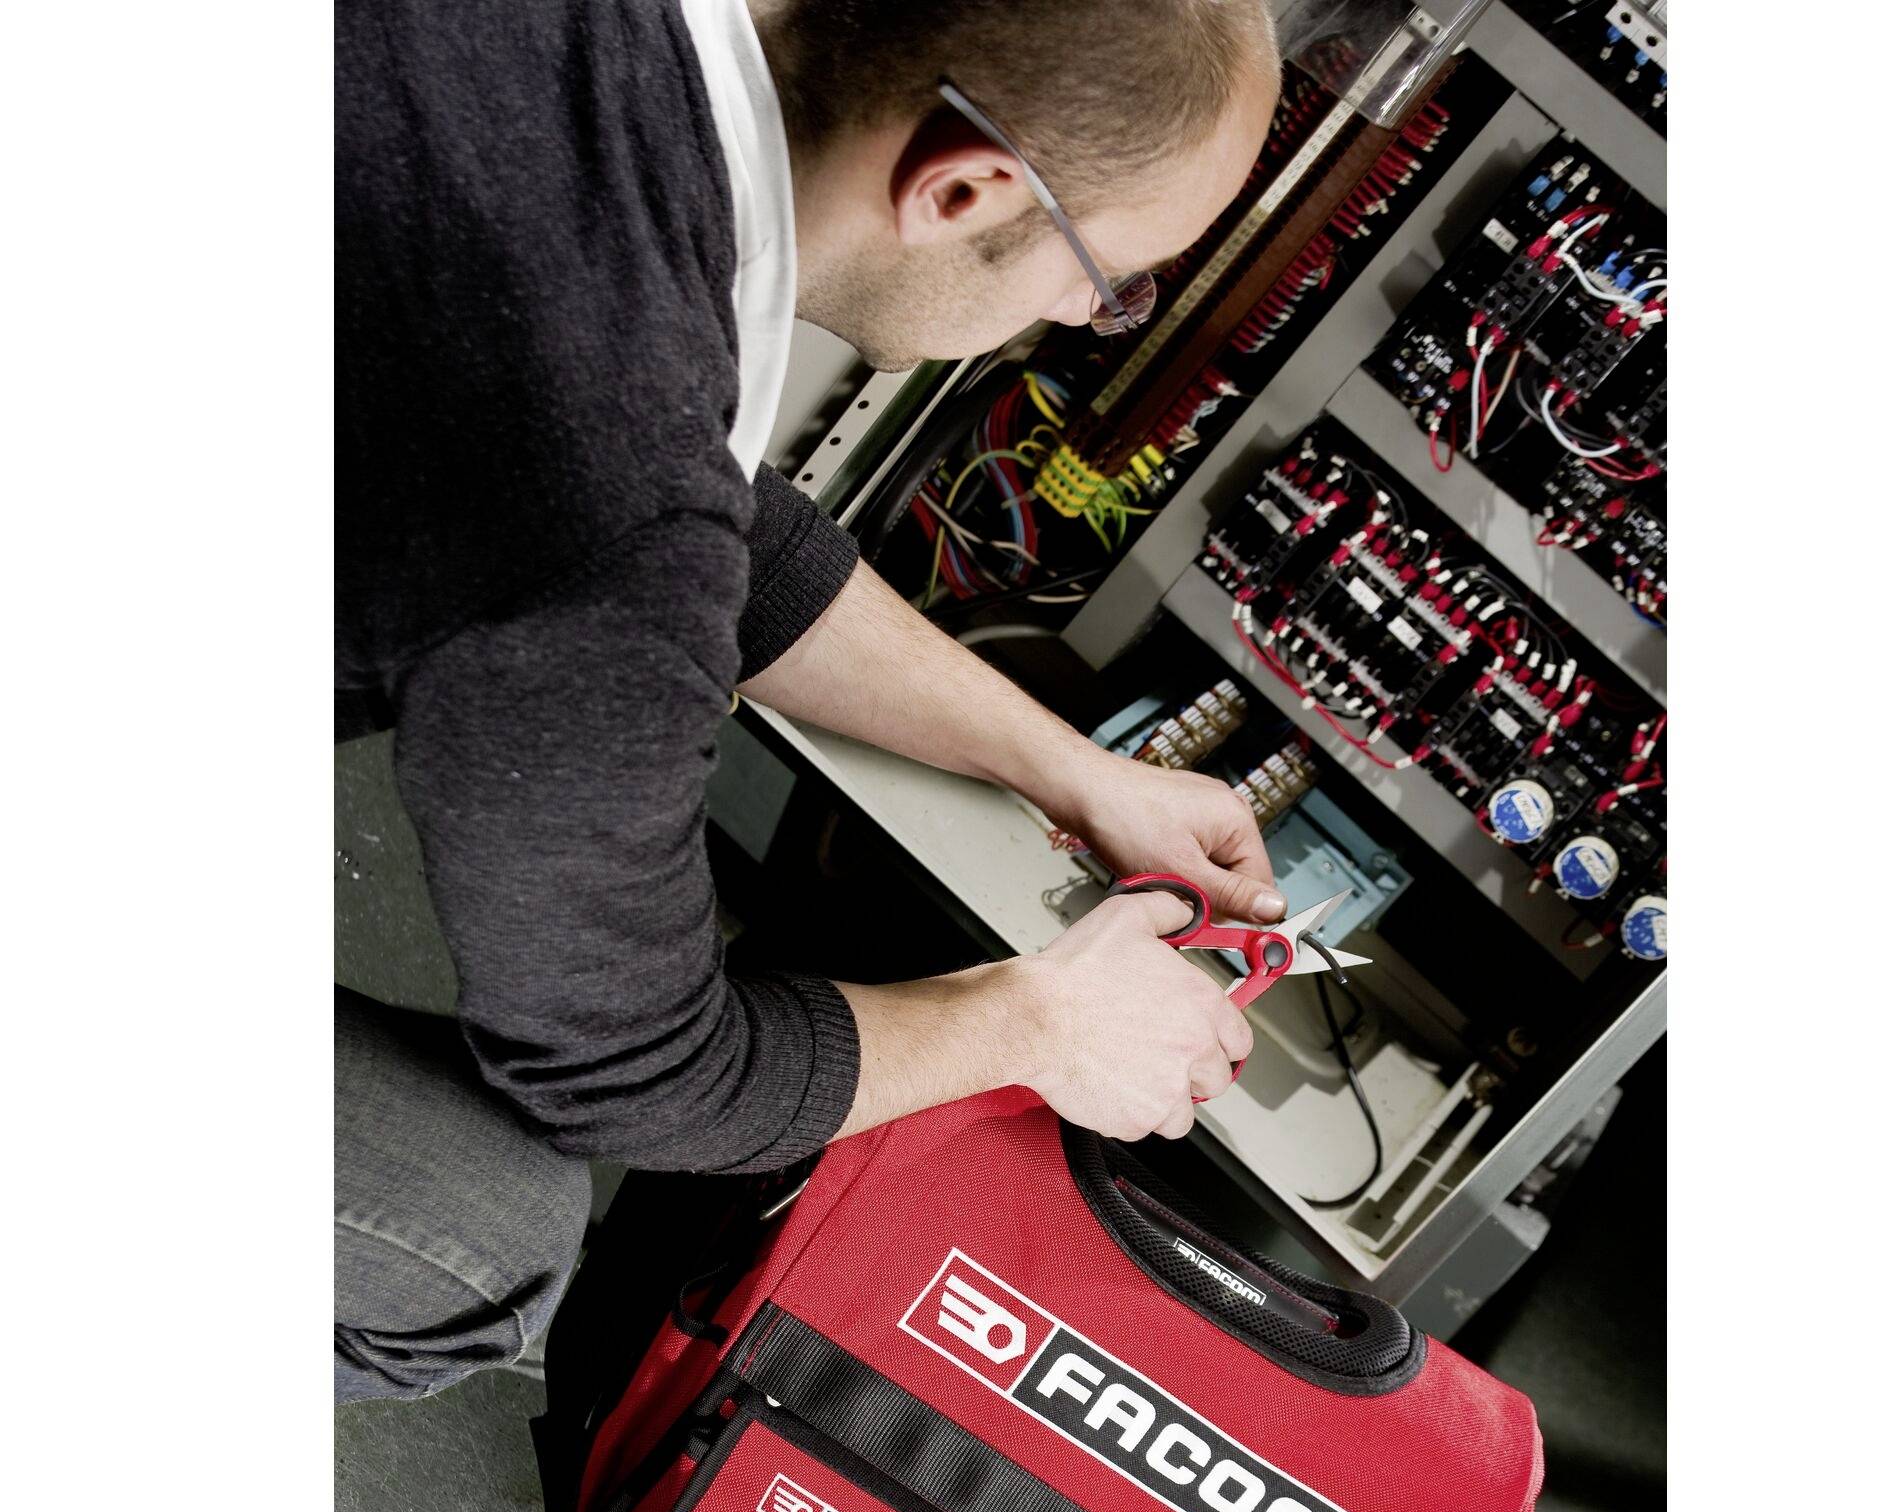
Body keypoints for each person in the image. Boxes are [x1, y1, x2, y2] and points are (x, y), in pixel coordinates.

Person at [335, 0, 1286, 1401]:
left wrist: (1071, 769)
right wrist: (1037, 1024)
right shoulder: (609, 486)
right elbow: (626, 1068)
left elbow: (713, 516)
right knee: (477, 1238)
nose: (1088, 316)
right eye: (1112, 275)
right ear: (961, 189)